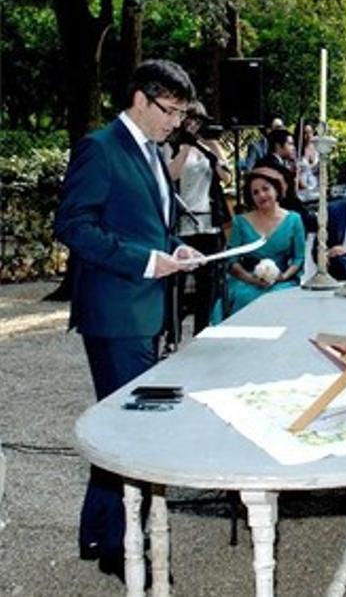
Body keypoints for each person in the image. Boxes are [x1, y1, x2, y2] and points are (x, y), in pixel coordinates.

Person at [53, 59, 203, 580]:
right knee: (131, 433)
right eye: (171, 110)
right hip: (116, 312)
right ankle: (124, 551)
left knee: (120, 424)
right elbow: (73, 226)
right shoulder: (100, 147)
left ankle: (97, 532)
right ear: (140, 99)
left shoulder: (152, 152)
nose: (176, 122)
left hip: (146, 308)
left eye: (182, 113)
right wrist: (143, 262)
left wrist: (176, 251)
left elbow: (150, 227)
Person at [166, 103, 232, 339]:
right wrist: (185, 147)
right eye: (190, 119)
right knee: (178, 282)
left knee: (208, 282)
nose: (194, 124)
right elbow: (170, 175)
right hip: (183, 221)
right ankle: (172, 335)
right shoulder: (172, 145)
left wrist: (213, 150)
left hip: (209, 221)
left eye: (198, 120)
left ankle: (202, 332)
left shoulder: (210, 146)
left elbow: (226, 176)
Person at [213, 169, 306, 321]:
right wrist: (251, 279)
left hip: (283, 281)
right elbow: (232, 260)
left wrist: (282, 277)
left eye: (265, 189)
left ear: (276, 189)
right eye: (255, 192)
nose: (261, 195)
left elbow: (298, 258)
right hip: (247, 280)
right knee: (245, 297)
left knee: (281, 298)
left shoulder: (294, 219)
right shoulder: (240, 222)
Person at [296, 123, 319, 201]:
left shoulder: (318, 148)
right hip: (302, 191)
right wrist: (306, 188)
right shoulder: (297, 151)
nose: (309, 135)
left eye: (310, 132)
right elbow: (296, 174)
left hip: (316, 190)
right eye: (305, 133)